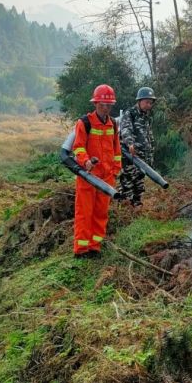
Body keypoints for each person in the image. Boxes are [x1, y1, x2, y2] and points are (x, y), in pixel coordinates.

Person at [71, 84, 122, 257]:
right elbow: (78, 147)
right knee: (84, 213)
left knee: (101, 214)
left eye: (108, 105)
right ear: (96, 103)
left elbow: (117, 151)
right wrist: (85, 162)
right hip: (88, 177)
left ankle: (95, 247)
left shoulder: (113, 124)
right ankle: (81, 249)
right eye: (102, 104)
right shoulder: (84, 123)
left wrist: (115, 171)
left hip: (107, 178)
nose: (106, 107)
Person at [119, 86, 156, 208]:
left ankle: (137, 209)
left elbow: (148, 137)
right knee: (127, 183)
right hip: (130, 156)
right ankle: (125, 209)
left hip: (142, 157)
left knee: (139, 184)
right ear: (139, 101)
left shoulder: (147, 117)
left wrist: (150, 157)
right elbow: (125, 130)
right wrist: (130, 143)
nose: (148, 105)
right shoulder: (130, 113)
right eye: (146, 102)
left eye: (150, 103)